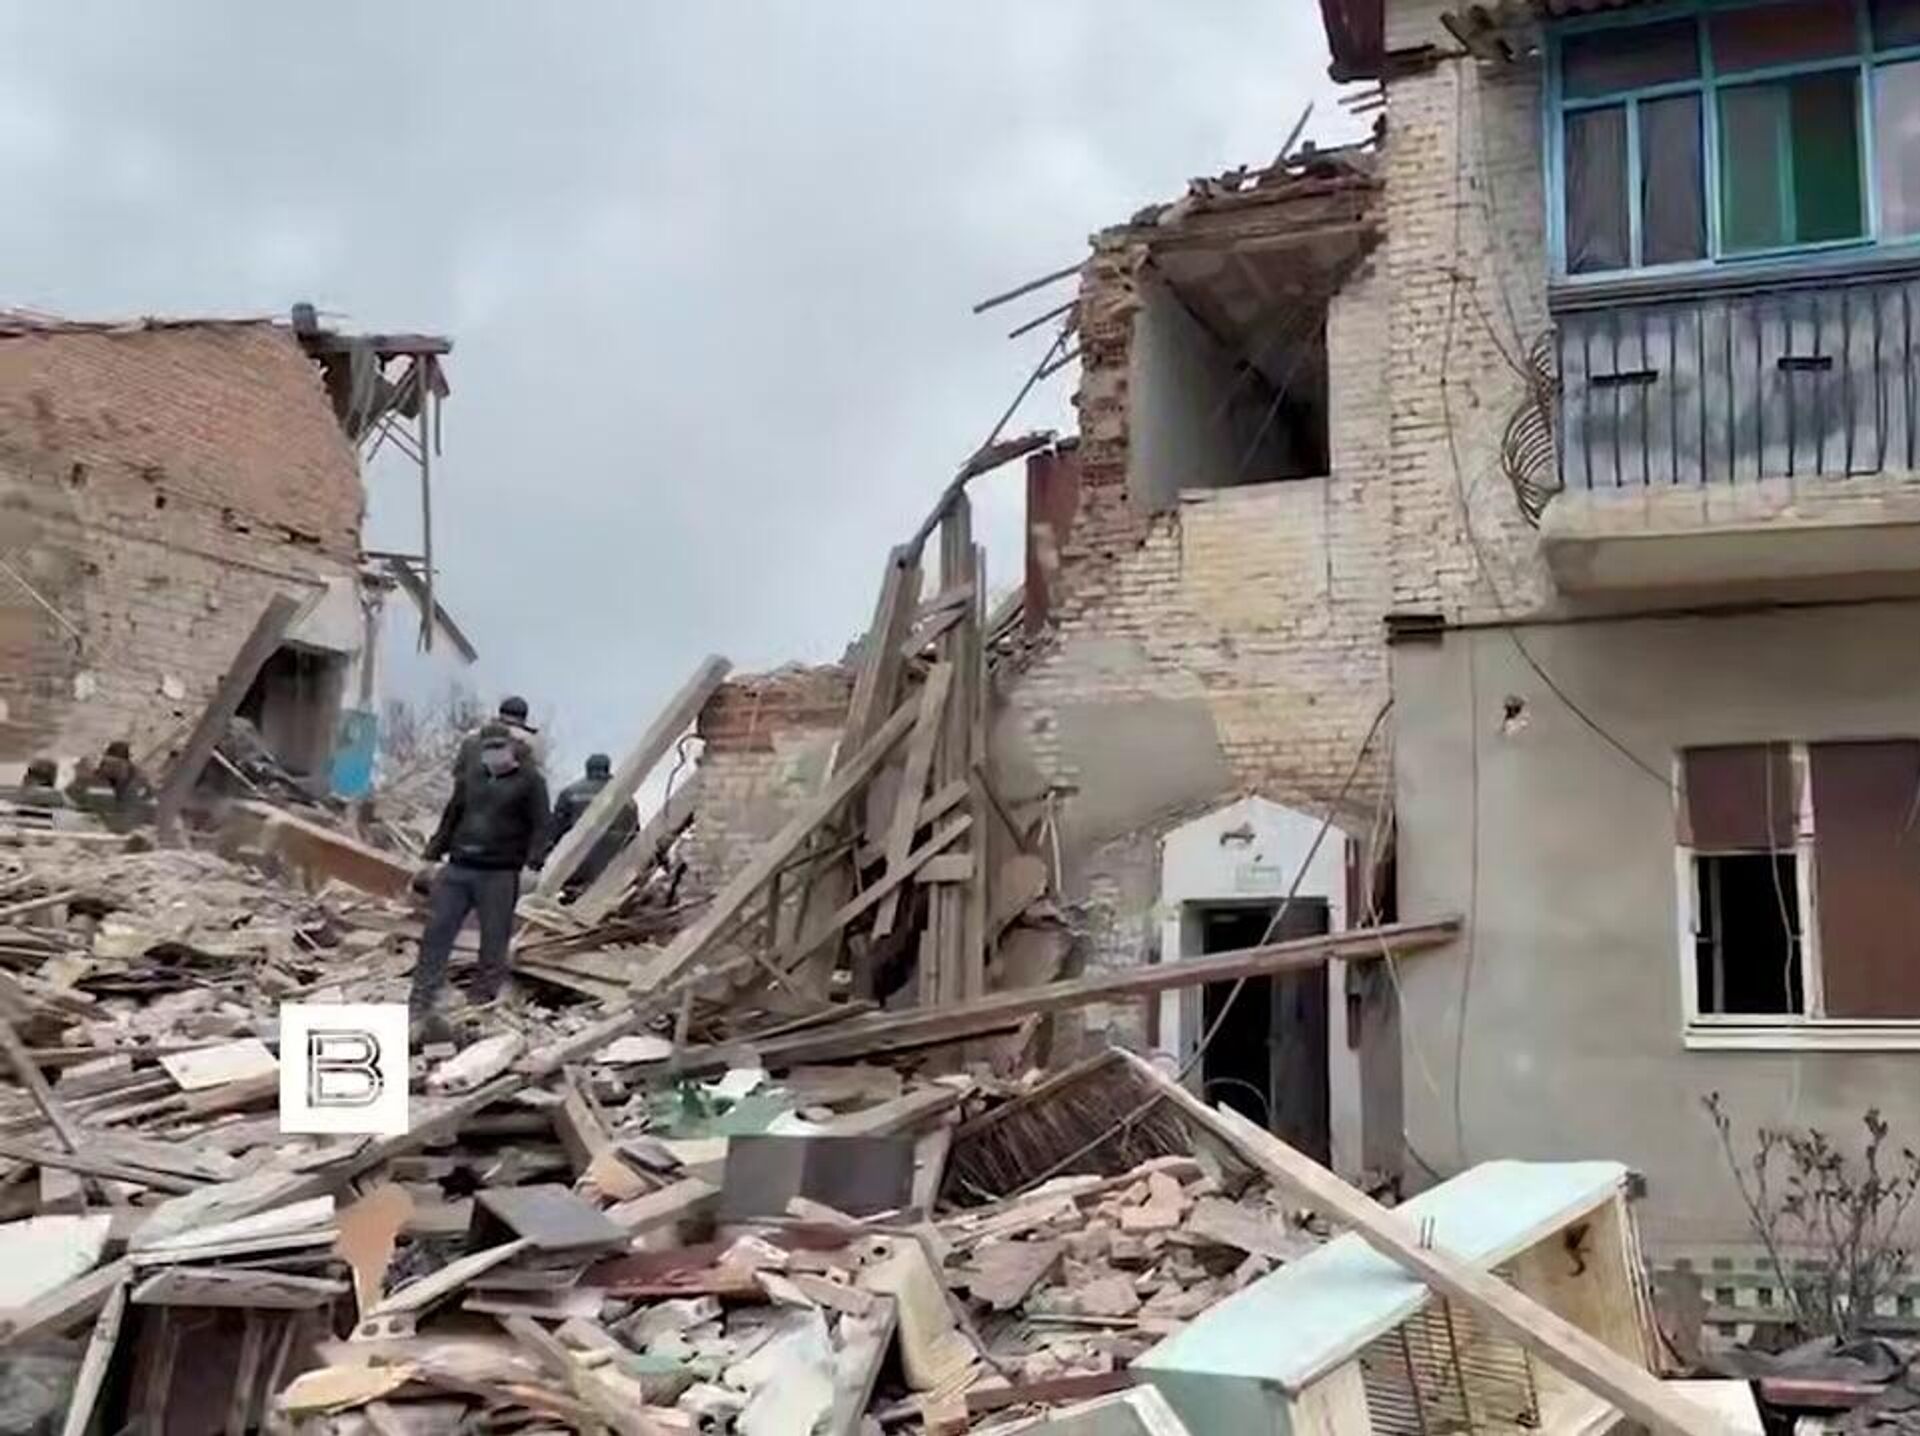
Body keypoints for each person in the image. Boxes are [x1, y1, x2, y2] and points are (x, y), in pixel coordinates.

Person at [411, 722, 550, 1027]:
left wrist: (534, 864)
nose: (493, 754)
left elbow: (542, 826)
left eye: (498, 748)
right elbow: (451, 817)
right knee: (437, 932)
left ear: (511, 748)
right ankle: (421, 999)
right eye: (487, 749)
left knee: (494, 940)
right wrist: (431, 855)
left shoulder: (530, 782)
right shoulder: (471, 776)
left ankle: (481, 1003)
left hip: (499, 873)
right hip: (459, 867)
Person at [538, 753, 639, 899]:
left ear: (587, 769)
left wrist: (541, 858)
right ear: (607, 769)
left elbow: (555, 831)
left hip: (575, 869)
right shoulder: (627, 798)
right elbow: (633, 837)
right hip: (611, 869)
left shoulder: (570, 793)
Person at [452, 695, 541, 786]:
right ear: (523, 719)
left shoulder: (473, 736)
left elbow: (458, 772)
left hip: (475, 790)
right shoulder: (529, 740)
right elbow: (536, 775)